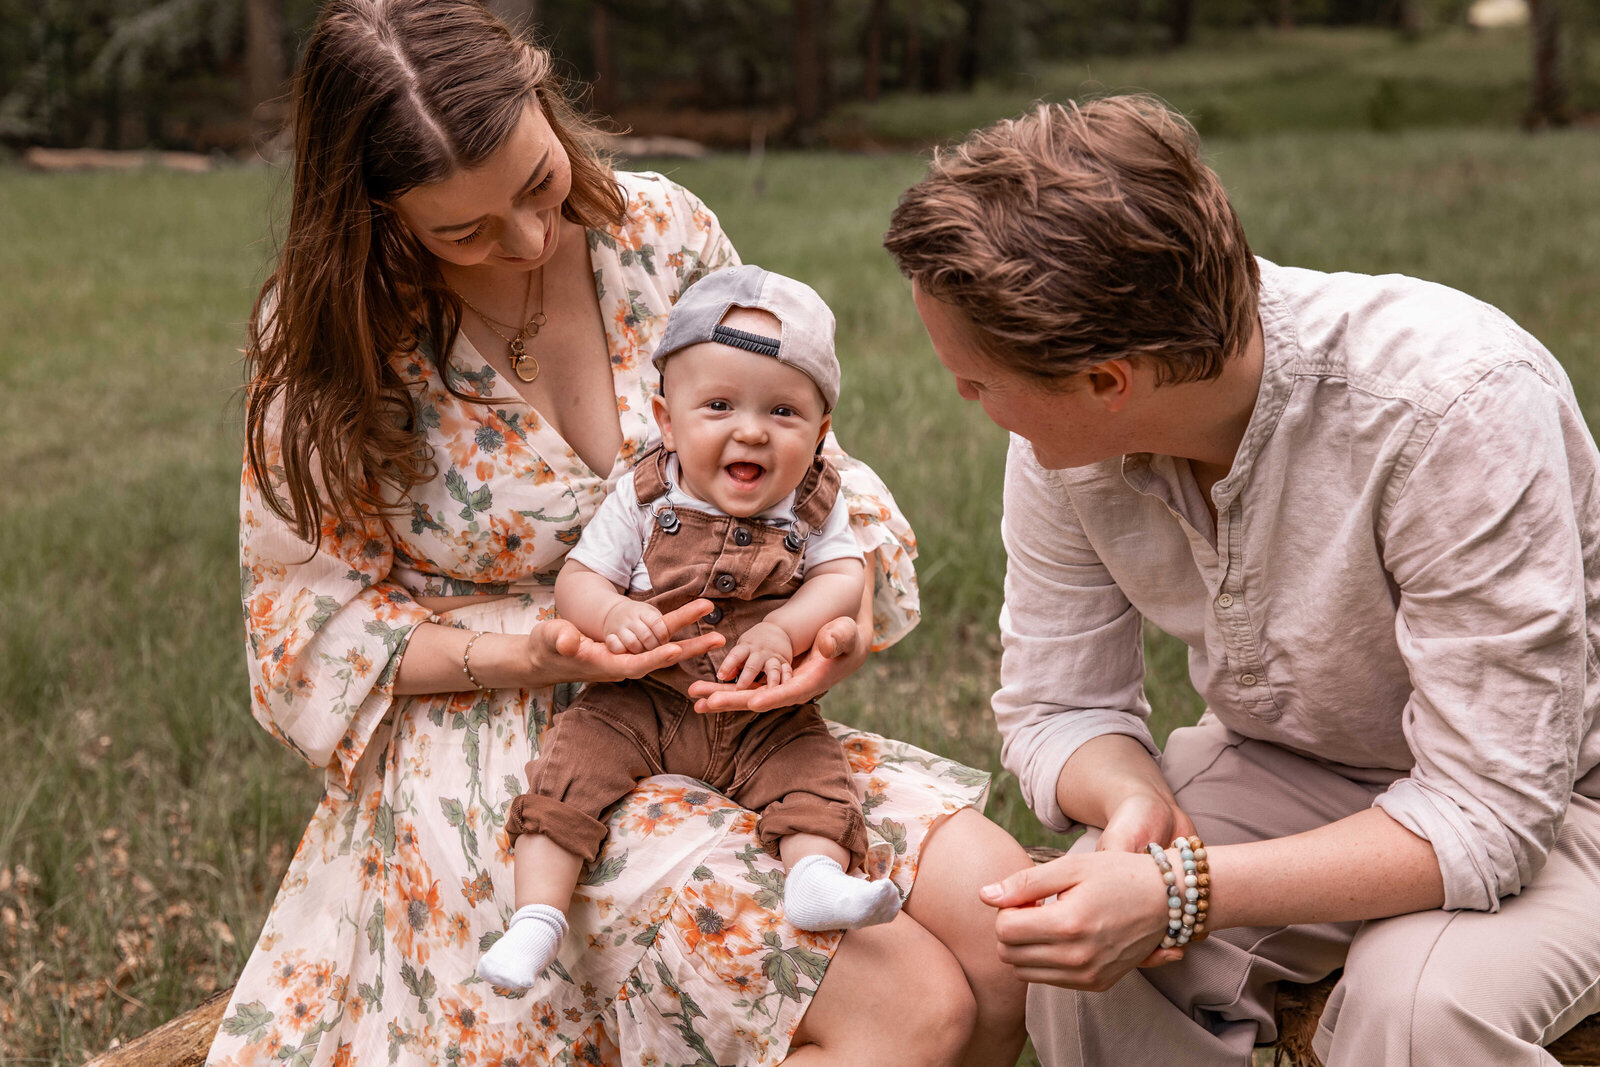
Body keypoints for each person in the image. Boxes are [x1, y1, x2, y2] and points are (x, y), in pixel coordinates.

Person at [210, 2, 1029, 1065]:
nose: (529, 241)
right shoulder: (328, 336)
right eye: (462, 229)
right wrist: (534, 647)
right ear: (371, 217)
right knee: (908, 1006)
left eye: (538, 186)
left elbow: (802, 458)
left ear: (546, 106)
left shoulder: (662, 234)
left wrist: (843, 604)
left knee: (1006, 941)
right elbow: (304, 624)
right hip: (506, 749)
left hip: (719, 709)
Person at [883, 93, 1600, 1065]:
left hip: (1557, 796)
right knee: (1074, 946)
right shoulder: (1068, 440)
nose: (968, 403)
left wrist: (1182, 887)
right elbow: (1058, 703)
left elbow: (1490, 812)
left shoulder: (1450, 409)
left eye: (974, 384)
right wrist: (1129, 801)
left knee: (1418, 1006)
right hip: (1297, 764)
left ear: (1108, 380)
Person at [479, 265, 903, 990]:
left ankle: (815, 874)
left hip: (761, 703)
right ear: (667, 420)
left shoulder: (814, 502)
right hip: (643, 696)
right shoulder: (644, 495)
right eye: (718, 405)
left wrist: (785, 631)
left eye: (784, 413)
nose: (751, 430)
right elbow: (578, 580)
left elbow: (842, 578)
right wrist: (615, 615)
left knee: (813, 775)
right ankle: (537, 918)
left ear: (821, 433)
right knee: (569, 771)